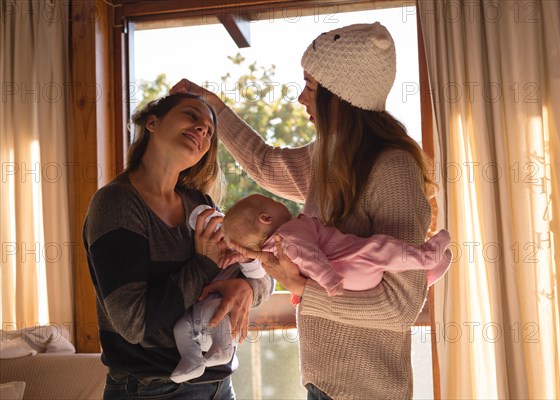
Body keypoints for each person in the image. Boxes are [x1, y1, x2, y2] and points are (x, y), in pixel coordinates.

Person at [172, 21, 440, 399]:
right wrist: (215, 107)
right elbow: (264, 162)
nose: (301, 98)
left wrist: (299, 287)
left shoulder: (392, 170)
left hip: (367, 391)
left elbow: (400, 306)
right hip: (322, 384)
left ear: (342, 98)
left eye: (311, 88)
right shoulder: (327, 159)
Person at [83, 93, 273, 399]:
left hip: (221, 386)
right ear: (153, 123)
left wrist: (246, 289)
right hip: (154, 389)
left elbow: (264, 275)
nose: (202, 129)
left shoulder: (201, 204)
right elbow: (134, 323)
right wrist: (203, 266)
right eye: (191, 116)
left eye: (210, 131)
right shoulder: (116, 203)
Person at [222, 193, 452, 297]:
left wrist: (243, 255)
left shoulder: (272, 252)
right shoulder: (288, 234)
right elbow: (309, 257)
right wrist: (328, 278)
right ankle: (425, 257)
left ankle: (424, 277)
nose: (279, 203)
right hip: (346, 265)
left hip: (355, 283)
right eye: (272, 202)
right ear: (266, 218)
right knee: (380, 249)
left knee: (384, 260)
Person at [170, 205, 265, 384]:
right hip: (196, 316)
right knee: (179, 328)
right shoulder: (204, 250)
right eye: (219, 235)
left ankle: (223, 349)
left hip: (223, 319)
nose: (225, 243)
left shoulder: (243, 255)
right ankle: (191, 359)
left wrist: (246, 256)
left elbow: (261, 274)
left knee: (214, 311)